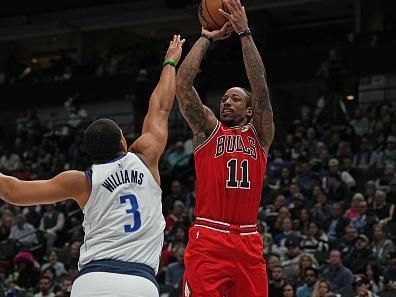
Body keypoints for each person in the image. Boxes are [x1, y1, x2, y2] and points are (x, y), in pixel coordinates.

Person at [0, 35, 185, 297]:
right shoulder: (146, 156)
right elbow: (161, 107)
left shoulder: (82, 181)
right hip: (139, 282)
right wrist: (169, 62)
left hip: (93, 281)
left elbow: (12, 191)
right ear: (123, 140)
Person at [176, 0, 273, 295]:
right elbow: (182, 84)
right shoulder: (207, 129)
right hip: (209, 237)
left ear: (248, 111)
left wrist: (245, 33)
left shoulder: (260, 135)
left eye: (235, 99)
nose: (226, 102)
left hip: (247, 239)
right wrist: (205, 37)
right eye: (224, 99)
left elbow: (261, 89)